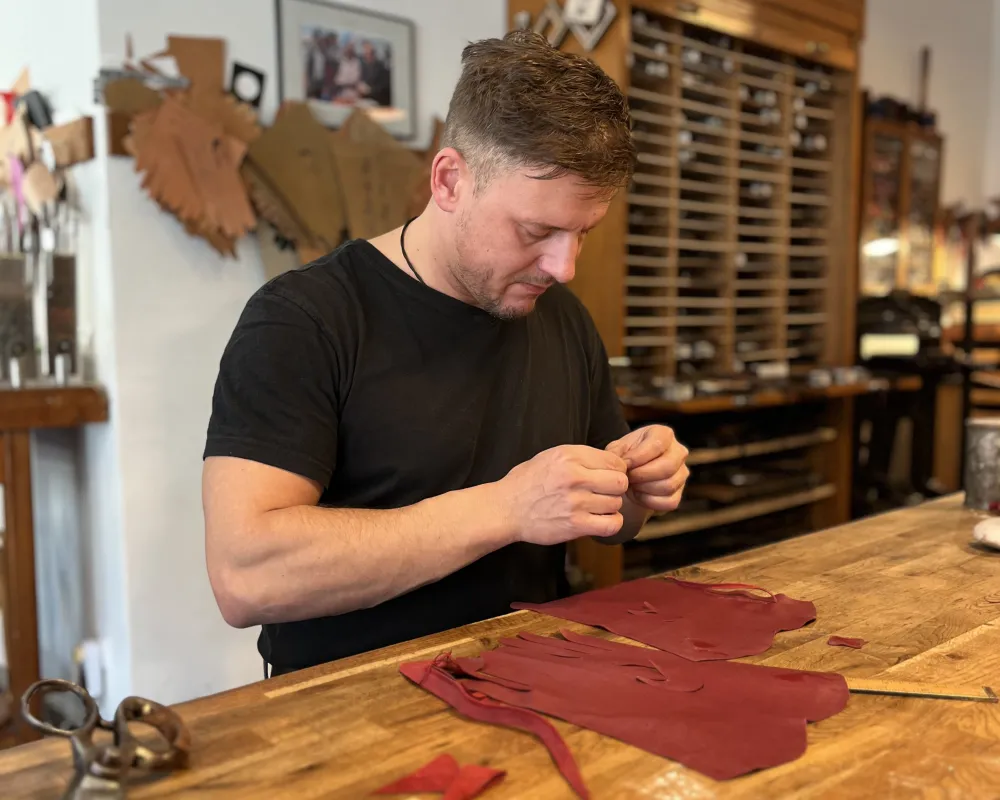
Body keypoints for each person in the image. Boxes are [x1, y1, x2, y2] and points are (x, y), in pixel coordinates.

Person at [202, 30, 689, 677]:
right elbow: (245, 577)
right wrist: (507, 508)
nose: (564, 266)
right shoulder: (303, 321)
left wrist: (638, 492)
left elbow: (608, 517)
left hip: (540, 681)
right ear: (450, 180)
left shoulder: (561, 315)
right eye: (536, 231)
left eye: (582, 234)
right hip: (348, 713)